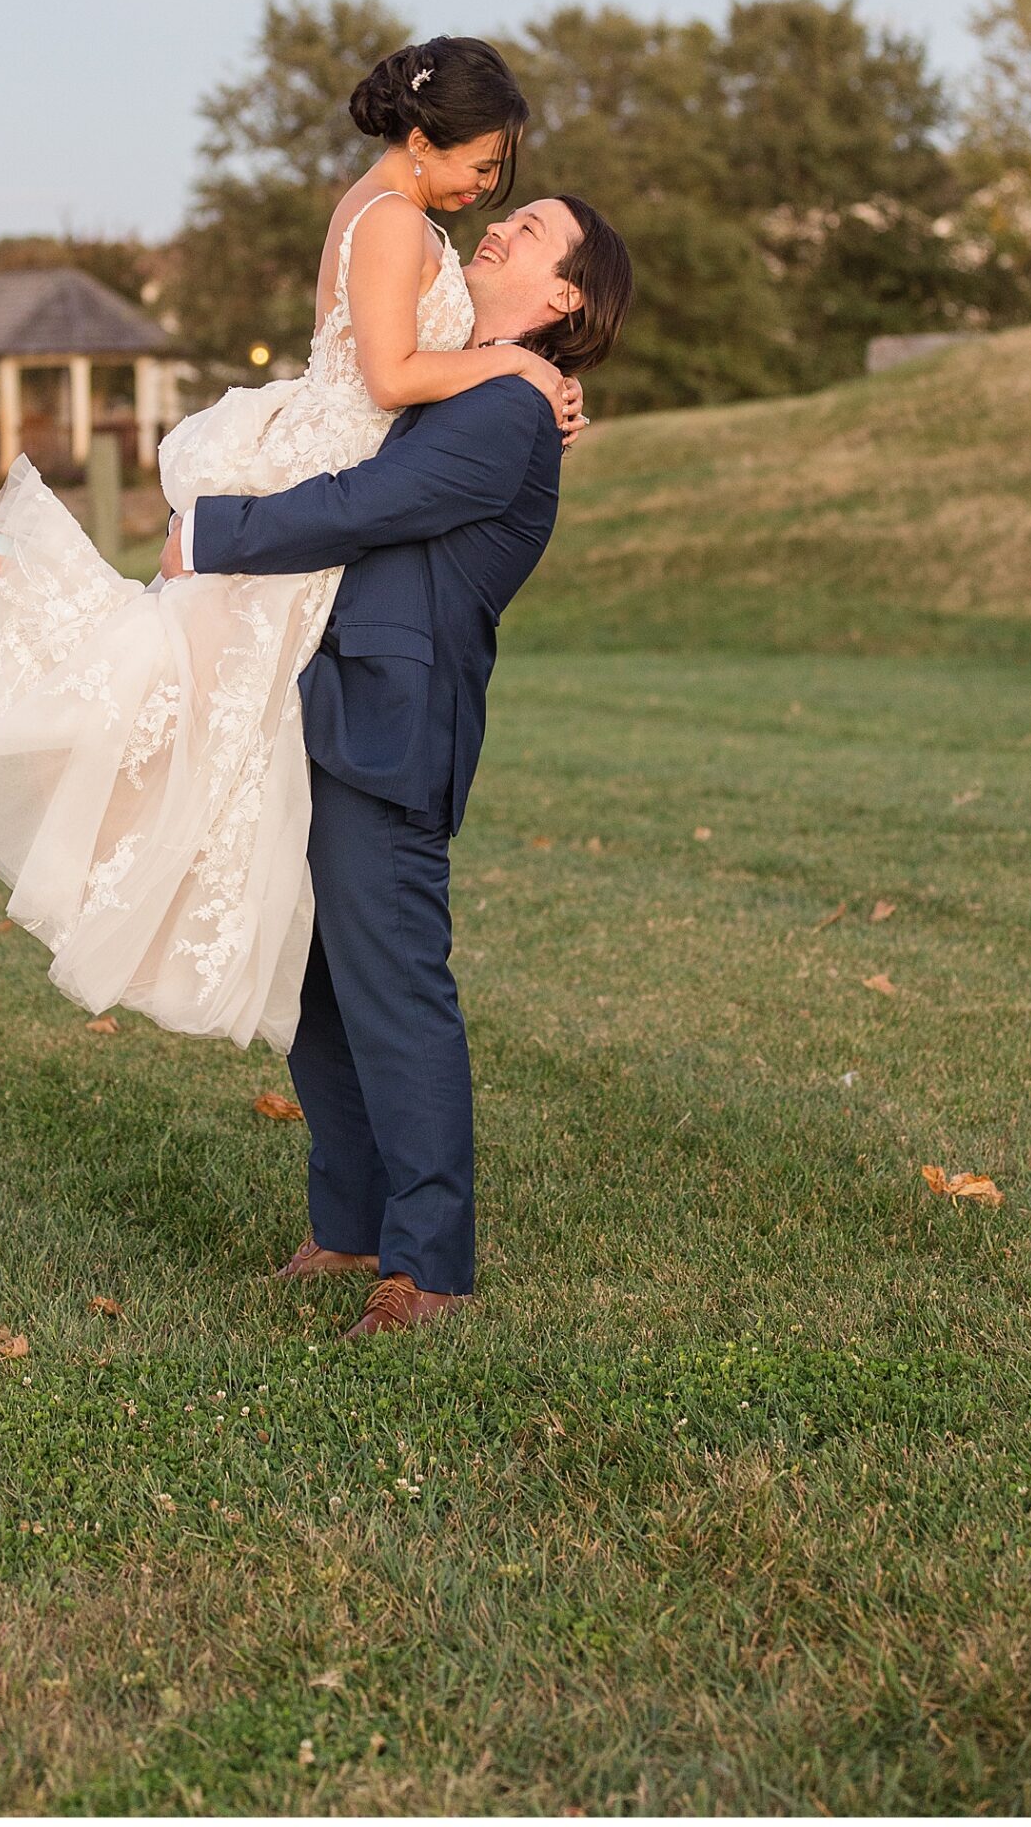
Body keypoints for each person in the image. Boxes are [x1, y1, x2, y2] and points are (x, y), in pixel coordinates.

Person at [0, 34, 586, 1050]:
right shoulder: (397, 220)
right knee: (186, 682)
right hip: (324, 471)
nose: (488, 189)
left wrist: (516, 368)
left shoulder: (371, 206)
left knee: (199, 685)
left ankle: (23, 581)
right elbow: (394, 377)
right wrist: (518, 371)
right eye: (485, 164)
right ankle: (23, 579)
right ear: (423, 135)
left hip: (318, 456)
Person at [160, 190, 633, 1334]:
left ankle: (431, 1264)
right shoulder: (472, 381)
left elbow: (376, 503)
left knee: (397, 989)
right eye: (500, 215)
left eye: (526, 233)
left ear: (566, 296)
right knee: (319, 986)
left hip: (392, 721)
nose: (498, 232)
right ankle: (346, 1228)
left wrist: (211, 534)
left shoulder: (506, 414)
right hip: (316, 705)